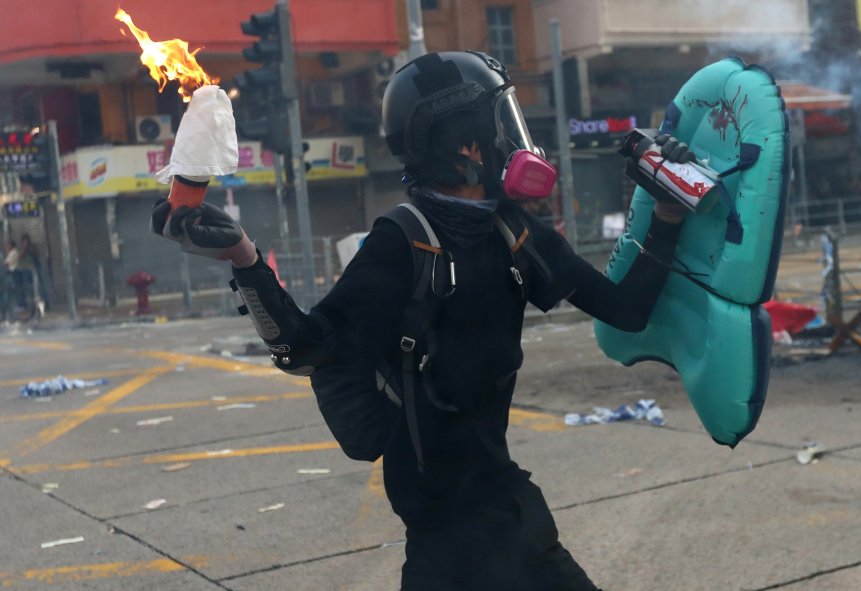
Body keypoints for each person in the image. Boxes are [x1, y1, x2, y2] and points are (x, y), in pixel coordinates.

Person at [152, 51, 692, 591]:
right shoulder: (402, 240)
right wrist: (244, 258)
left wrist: (667, 212)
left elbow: (625, 310)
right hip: (444, 532)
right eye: (498, 123)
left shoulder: (511, 231)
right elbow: (304, 350)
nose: (512, 139)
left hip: (502, 511)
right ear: (464, 145)